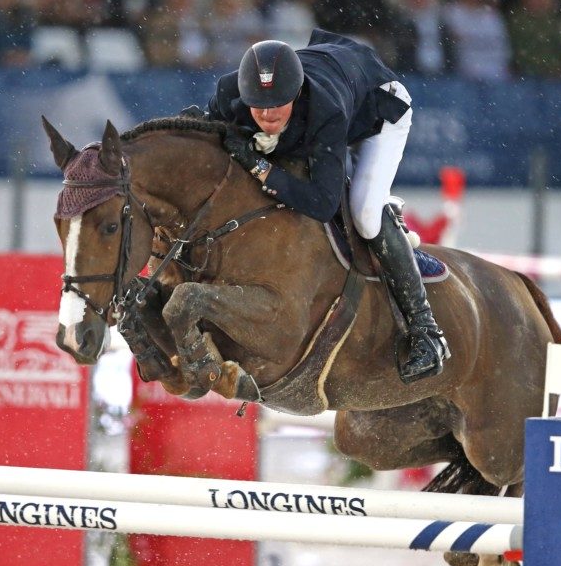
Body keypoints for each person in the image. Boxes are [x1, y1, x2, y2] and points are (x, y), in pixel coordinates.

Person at [184, 29, 450, 383]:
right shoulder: (231, 95)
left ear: (295, 93)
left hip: (378, 106)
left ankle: (426, 330)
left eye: (278, 103)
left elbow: (322, 203)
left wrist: (261, 168)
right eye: (258, 104)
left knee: (365, 213)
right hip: (333, 70)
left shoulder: (325, 110)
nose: (267, 114)